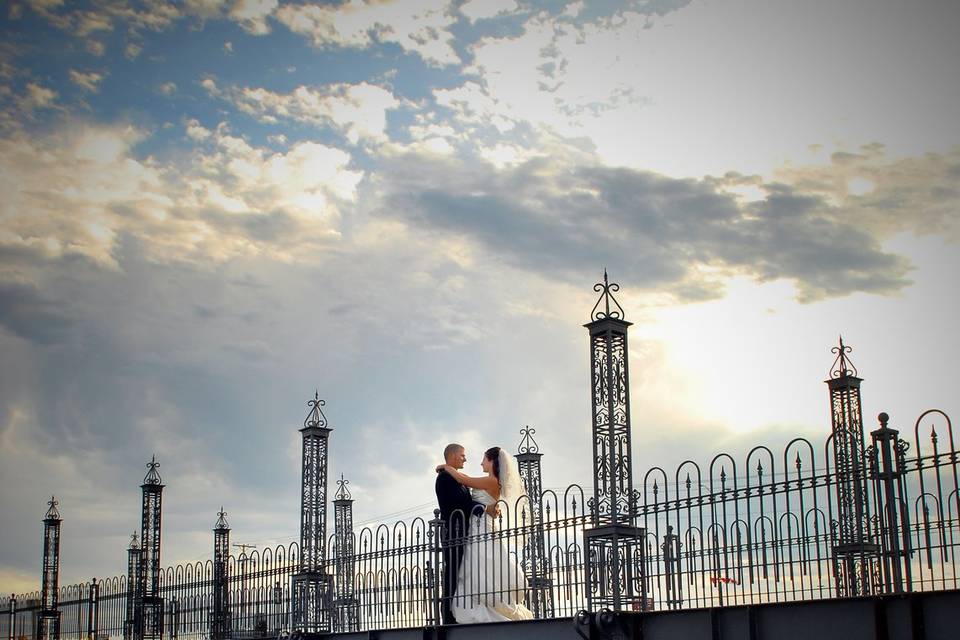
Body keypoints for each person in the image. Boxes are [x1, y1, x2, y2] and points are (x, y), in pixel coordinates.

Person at [435, 446, 534, 623]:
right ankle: (468, 605)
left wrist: (446, 466)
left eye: (484, 459)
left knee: (479, 566)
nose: (480, 462)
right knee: (475, 567)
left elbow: (462, 479)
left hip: (481, 529)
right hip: (474, 528)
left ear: (492, 462)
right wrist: (484, 507)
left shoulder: (492, 481)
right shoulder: (488, 480)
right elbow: (465, 488)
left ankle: (478, 605)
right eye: (462, 456)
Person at [434, 443, 488, 625]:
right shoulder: (445, 479)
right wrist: (483, 508)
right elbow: (460, 503)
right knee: (452, 572)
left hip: (461, 531)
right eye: (463, 455)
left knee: (459, 571)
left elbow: (465, 500)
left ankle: (457, 611)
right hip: (452, 531)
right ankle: (448, 614)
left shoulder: (454, 477)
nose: (465, 458)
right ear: (453, 456)